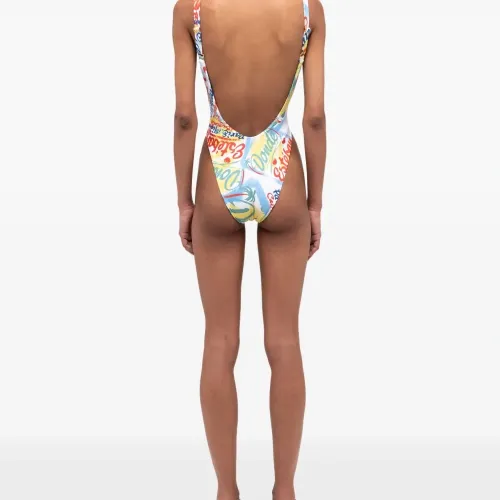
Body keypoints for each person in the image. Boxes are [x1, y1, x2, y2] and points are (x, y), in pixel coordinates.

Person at [172, 0, 326, 498]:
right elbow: (315, 118)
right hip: (282, 167)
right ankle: (286, 491)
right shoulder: (307, 10)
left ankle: (226, 491)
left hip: (218, 169)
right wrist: (315, 204)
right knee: (284, 342)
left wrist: (185, 201)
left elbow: (185, 117)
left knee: (220, 343)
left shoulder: (192, 9)